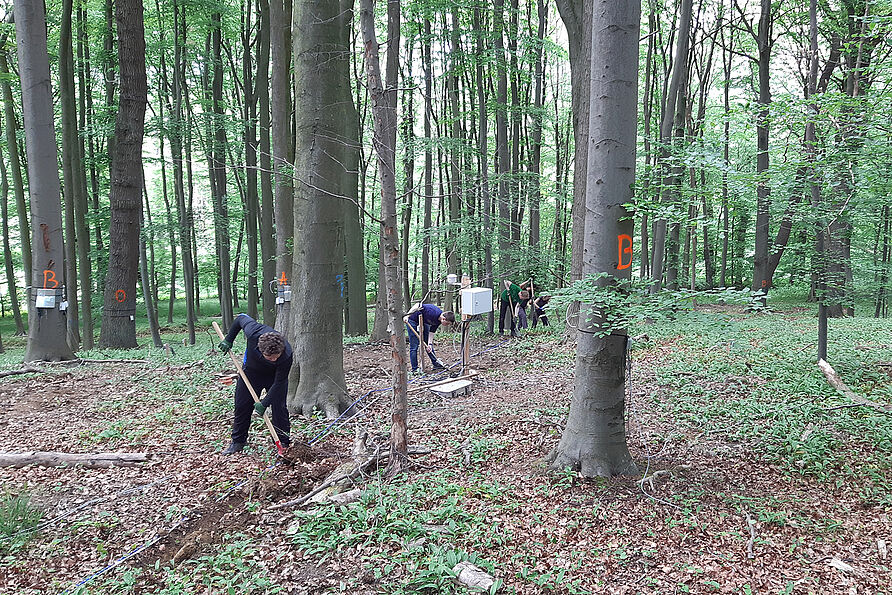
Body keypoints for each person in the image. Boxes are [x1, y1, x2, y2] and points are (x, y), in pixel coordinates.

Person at [217, 314, 292, 455]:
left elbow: (280, 382)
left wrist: (265, 403)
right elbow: (240, 318)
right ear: (260, 349)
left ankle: (283, 442)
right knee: (242, 405)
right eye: (270, 357)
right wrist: (229, 339)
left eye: (276, 356)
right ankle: (238, 441)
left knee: (279, 407)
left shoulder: (287, 354)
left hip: (275, 377)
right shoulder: (253, 332)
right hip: (251, 373)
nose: (274, 359)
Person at [404, 304, 455, 374]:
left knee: (428, 346)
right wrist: (407, 316)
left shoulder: (438, 321)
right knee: (414, 346)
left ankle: (436, 364)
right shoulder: (432, 311)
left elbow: (432, 332)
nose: (447, 325)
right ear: (443, 319)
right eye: (447, 323)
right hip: (412, 320)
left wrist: (429, 344)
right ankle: (415, 369)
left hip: (424, 322)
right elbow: (417, 304)